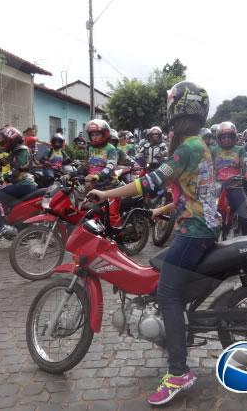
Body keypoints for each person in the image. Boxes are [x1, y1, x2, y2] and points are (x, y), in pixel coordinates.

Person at [86, 81, 218, 405]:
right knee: (160, 273)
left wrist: (106, 193)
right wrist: (164, 210)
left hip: (196, 231)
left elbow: (148, 182)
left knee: (168, 293)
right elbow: (195, 193)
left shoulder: (187, 148)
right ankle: (169, 336)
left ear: (176, 109)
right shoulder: (197, 145)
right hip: (200, 225)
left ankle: (179, 373)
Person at [0, 127, 37, 240]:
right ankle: (17, 230)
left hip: (25, 184)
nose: (1, 142)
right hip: (22, 184)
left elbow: (21, 167)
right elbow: (3, 161)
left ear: (10, 139)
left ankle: (0, 227)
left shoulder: (21, 150)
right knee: (7, 202)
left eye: (3, 140)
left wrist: (5, 176)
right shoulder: (16, 150)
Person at [212, 121, 247, 236]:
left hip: (235, 186)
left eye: (229, 137)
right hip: (217, 187)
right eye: (223, 137)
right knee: (207, 214)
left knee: (244, 216)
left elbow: (246, 162)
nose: (226, 139)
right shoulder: (213, 150)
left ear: (234, 137)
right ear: (218, 138)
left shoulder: (239, 149)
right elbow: (205, 165)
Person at [81, 119, 122, 226]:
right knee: (90, 213)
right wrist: (71, 174)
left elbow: (110, 166)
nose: (94, 137)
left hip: (111, 188)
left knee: (112, 216)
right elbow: (86, 165)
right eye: (92, 134)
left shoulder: (110, 149)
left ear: (104, 134)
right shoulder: (91, 149)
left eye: (97, 134)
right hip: (95, 188)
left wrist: (97, 176)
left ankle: (118, 241)